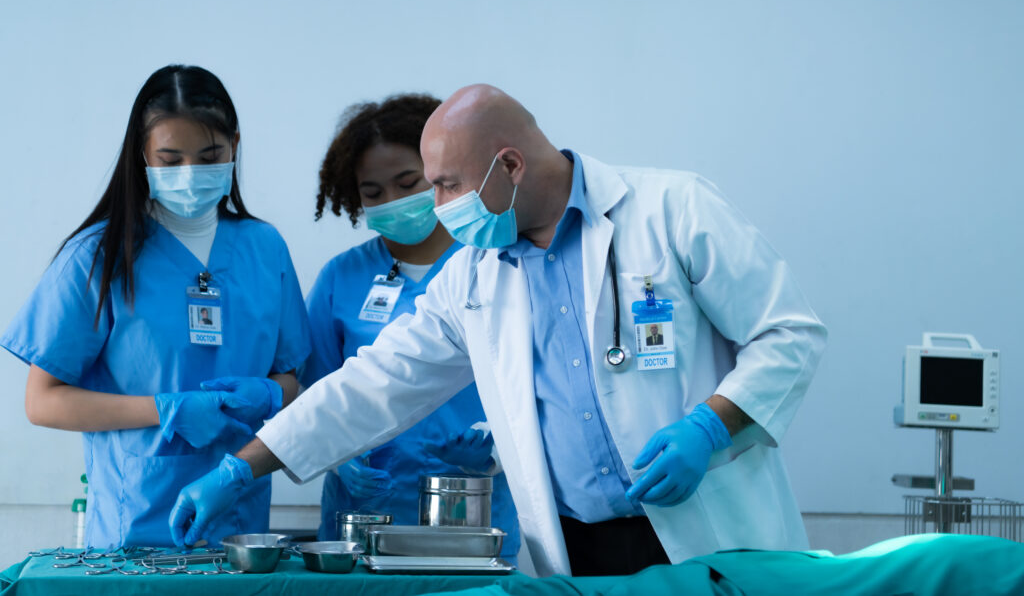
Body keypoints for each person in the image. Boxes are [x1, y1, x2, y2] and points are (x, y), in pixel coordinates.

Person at [170, 84, 826, 578]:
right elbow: (373, 383)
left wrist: (709, 427)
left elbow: (788, 334)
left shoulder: (672, 208)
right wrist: (242, 467)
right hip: (576, 554)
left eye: (447, 185)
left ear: (510, 166)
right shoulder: (475, 275)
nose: (439, 207)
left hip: (704, 531)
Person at [1, 65, 310, 548]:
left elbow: (291, 380)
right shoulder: (99, 256)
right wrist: (164, 410)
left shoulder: (264, 249)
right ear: (142, 155)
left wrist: (269, 394)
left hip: (242, 530)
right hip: (135, 533)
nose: (190, 173)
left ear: (235, 145)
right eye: (170, 159)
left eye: (210, 157)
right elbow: (42, 401)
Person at [302, 94, 520, 559]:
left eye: (407, 183)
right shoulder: (341, 278)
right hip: (364, 515)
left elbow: (531, 383)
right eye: (373, 193)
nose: (394, 202)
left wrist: (494, 451)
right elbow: (313, 392)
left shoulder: (493, 264)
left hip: (472, 510)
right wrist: (337, 459)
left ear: (440, 172)